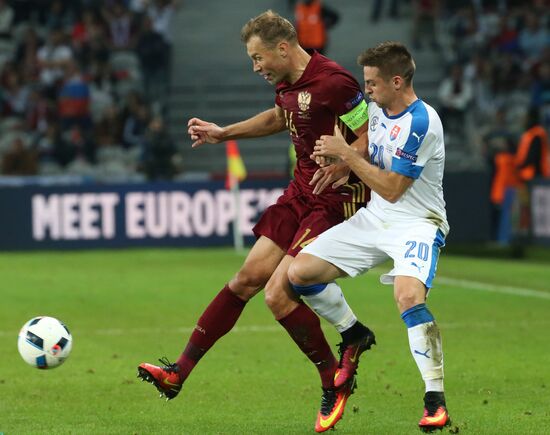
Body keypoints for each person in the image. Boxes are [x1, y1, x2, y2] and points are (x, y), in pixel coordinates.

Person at [137, 10, 373, 433]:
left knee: (277, 297)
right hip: (300, 193)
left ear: (282, 49)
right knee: (246, 279)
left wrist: (347, 161)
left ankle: (332, 380)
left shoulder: (335, 83)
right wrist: (223, 132)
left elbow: (372, 131)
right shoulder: (288, 84)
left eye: (258, 57)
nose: (256, 67)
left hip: (335, 200)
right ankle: (178, 374)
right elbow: (279, 117)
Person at [288, 41, 452, 432]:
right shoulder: (378, 111)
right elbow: (371, 154)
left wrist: (347, 155)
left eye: (373, 83)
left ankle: (435, 400)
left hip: (417, 222)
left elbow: (394, 188)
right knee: (300, 273)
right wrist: (342, 167)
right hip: (375, 217)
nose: (368, 90)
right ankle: (355, 332)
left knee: (408, 296)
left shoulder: (422, 122)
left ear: (397, 81)